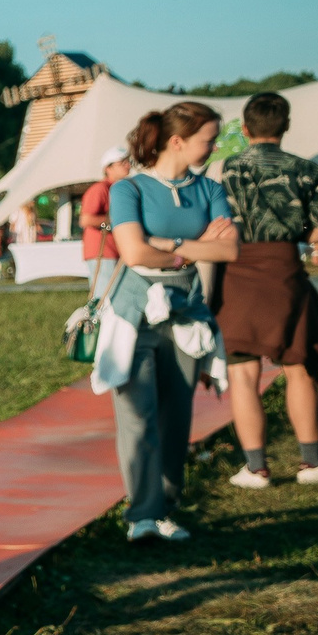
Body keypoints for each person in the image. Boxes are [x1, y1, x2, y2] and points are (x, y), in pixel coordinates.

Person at [99, 101, 238, 541]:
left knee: (177, 417)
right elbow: (134, 252)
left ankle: (165, 508)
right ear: (178, 141)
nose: (214, 146)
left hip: (187, 311)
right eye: (208, 139)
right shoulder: (130, 189)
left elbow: (230, 249)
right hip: (134, 311)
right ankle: (142, 513)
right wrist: (193, 245)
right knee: (137, 415)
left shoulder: (210, 189)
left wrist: (166, 242)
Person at [216, 92, 318, 486]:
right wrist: (295, 233)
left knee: (243, 373)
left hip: (236, 272)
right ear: (285, 126)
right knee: (299, 365)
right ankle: (312, 462)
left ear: (247, 128)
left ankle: (256, 468)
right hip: (284, 269)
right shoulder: (307, 170)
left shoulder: (229, 169)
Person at [82, 145, 132, 298]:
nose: (127, 165)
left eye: (128, 161)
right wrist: (118, 221)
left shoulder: (122, 188)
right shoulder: (100, 189)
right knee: (106, 296)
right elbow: (86, 219)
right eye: (122, 163)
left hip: (116, 250)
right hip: (102, 251)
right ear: (108, 168)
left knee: (118, 295)